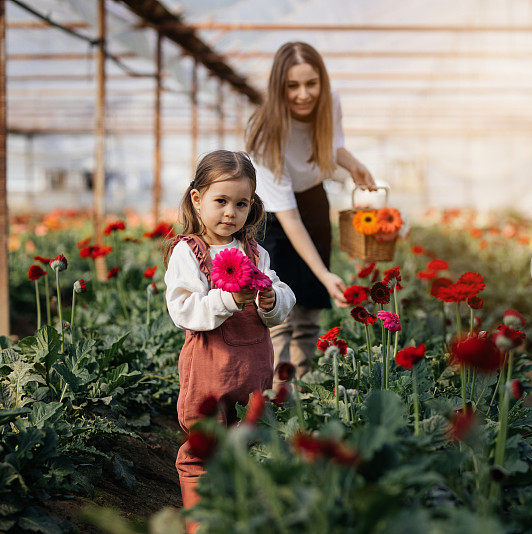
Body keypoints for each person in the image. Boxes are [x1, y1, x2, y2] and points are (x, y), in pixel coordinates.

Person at [163, 150, 296, 528]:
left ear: (251, 205)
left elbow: (281, 298)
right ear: (197, 199)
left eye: (241, 203)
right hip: (208, 368)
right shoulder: (188, 253)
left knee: (247, 443)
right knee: (203, 448)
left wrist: (272, 300)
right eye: (221, 201)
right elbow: (183, 309)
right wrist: (226, 298)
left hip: (253, 368)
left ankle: (237, 515)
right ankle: (201, 523)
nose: (230, 213)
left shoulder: (256, 252)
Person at [246, 41, 376, 380]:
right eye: (292, 86)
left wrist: (354, 165)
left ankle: (303, 391)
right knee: (277, 310)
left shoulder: (329, 101)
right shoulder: (264, 133)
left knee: (308, 311)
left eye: (311, 83)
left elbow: (330, 145)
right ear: (279, 88)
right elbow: (288, 216)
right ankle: (275, 395)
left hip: (313, 201)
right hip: (272, 218)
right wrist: (324, 273)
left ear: (321, 82)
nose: (304, 94)